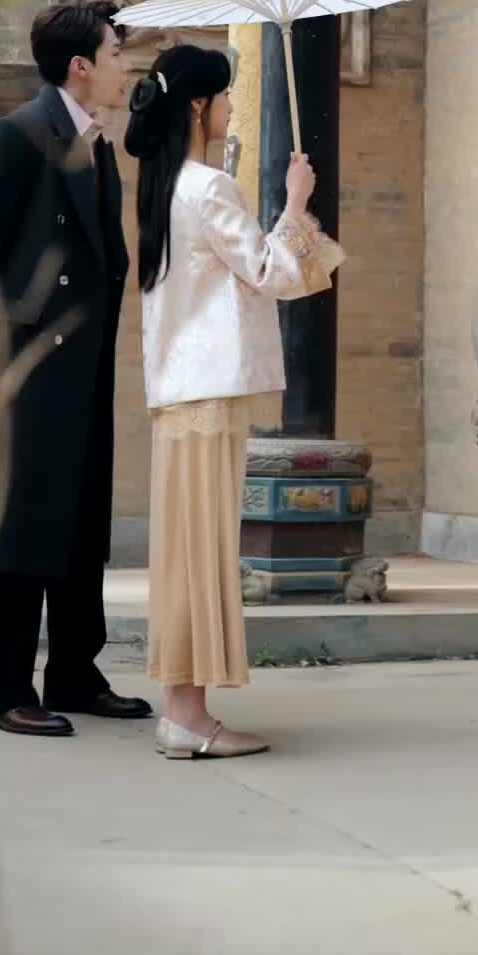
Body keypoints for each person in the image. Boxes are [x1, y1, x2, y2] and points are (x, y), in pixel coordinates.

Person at [123, 44, 342, 760]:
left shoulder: (163, 186)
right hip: (208, 391)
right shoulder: (209, 187)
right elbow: (271, 272)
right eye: (223, 97)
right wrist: (298, 202)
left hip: (180, 392)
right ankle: (188, 717)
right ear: (198, 106)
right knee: (202, 550)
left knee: (185, 551)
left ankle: (182, 712)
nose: (230, 109)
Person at [0, 1, 151, 736]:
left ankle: (73, 672)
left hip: (82, 371)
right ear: (80, 66)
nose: (125, 66)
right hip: (24, 374)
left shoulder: (97, 145)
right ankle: (2, 689)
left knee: (77, 523)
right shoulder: (18, 137)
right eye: (116, 53)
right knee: (19, 525)